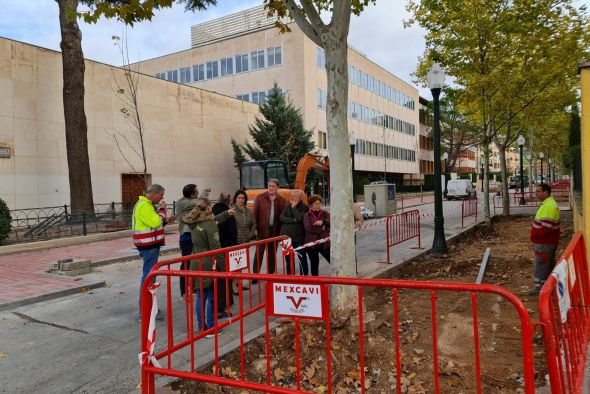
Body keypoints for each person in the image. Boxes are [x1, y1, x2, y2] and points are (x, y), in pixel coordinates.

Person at [183, 196, 234, 338]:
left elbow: (212, 221)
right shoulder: (209, 225)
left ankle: (201, 326)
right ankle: (211, 327)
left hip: (196, 259)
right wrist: (224, 268)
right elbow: (216, 248)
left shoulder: (195, 221)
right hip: (207, 262)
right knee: (211, 296)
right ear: (208, 208)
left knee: (200, 295)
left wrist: (226, 214)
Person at [132, 183, 170, 322]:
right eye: (161, 195)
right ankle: (145, 311)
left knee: (150, 277)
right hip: (148, 247)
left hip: (150, 245)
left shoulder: (147, 205)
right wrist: (163, 210)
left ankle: (149, 307)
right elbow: (155, 222)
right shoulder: (144, 206)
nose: (162, 198)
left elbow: (156, 223)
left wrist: (164, 218)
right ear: (154, 194)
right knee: (148, 278)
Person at [175, 184, 210, 302]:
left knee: (196, 262)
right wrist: (205, 193)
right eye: (196, 192)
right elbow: (198, 203)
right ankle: (184, 292)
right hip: (186, 236)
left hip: (197, 234)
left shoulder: (194, 201)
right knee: (185, 264)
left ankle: (194, 287)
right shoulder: (182, 202)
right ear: (192, 194)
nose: (198, 194)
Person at [252, 179, 287, 278]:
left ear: (277, 188)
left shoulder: (282, 200)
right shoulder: (260, 198)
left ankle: (270, 275)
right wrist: (254, 228)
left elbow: (283, 216)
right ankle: (255, 275)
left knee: (272, 255)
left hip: (275, 230)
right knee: (258, 254)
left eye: (273, 186)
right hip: (261, 230)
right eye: (269, 186)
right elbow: (254, 214)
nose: (271, 188)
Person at [530, 183, 560, 295]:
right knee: (548, 264)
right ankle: (548, 287)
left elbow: (545, 228)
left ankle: (540, 289)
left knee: (541, 264)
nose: (536, 193)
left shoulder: (548, 206)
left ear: (546, 192)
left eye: (538, 191)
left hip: (544, 242)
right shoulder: (549, 204)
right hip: (548, 242)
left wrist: (536, 236)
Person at [212, 192, 238, 319]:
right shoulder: (226, 213)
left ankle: (221, 306)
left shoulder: (215, 211)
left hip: (218, 249)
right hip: (224, 248)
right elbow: (231, 231)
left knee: (219, 280)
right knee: (225, 278)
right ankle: (222, 307)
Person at [279, 189, 309, 275]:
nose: (291, 197)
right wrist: (294, 220)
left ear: (299, 198)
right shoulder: (287, 206)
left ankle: (303, 277)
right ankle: (290, 277)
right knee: (288, 259)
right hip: (285, 237)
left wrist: (294, 207)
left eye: (293, 196)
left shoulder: (305, 207)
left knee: (301, 258)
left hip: (298, 237)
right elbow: (281, 218)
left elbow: (300, 217)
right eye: (291, 195)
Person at [232, 189, 255, 294]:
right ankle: (233, 286)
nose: (241, 200)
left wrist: (250, 234)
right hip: (235, 241)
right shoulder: (232, 210)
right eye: (239, 198)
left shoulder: (248, 210)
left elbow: (253, 223)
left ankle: (238, 283)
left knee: (241, 264)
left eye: (243, 198)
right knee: (234, 265)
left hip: (245, 241)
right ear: (235, 198)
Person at [303, 195, 330, 276]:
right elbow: (309, 228)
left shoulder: (325, 213)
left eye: (319, 203)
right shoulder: (307, 215)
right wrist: (322, 228)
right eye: (316, 204)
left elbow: (332, 221)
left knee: (332, 261)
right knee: (314, 264)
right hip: (312, 244)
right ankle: (316, 282)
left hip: (324, 243)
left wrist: (323, 222)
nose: (318, 205)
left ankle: (338, 279)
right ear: (311, 205)